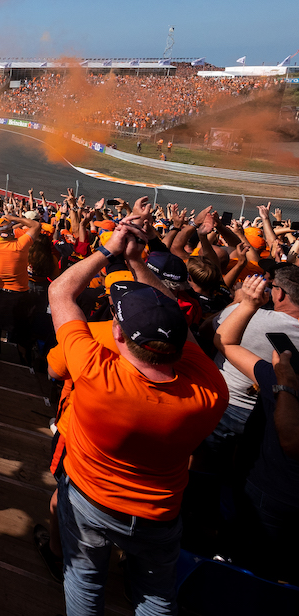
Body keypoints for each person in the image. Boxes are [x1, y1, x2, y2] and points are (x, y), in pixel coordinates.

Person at [47, 220, 228, 616]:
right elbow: (179, 324)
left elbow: (60, 291)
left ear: (120, 335)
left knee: (84, 580)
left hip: (90, 500)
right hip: (159, 513)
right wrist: (140, 264)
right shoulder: (211, 390)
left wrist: (112, 251)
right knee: (157, 595)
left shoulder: (95, 372)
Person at [212, 275, 299, 581]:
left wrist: (247, 303)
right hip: (271, 486)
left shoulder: (284, 375)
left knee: (255, 567)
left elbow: (224, 340)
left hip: (271, 490)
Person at [207, 265, 299, 462]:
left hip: (227, 405)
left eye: (272, 287)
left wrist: (240, 302)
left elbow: (216, 330)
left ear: (280, 294)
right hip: (272, 416)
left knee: (205, 465)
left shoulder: (256, 318)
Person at [0, 213, 41, 361]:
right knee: (22, 332)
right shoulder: (21, 245)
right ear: (11, 230)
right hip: (19, 295)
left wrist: (7, 225)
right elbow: (36, 225)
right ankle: (24, 361)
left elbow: (1, 234)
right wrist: (16, 219)